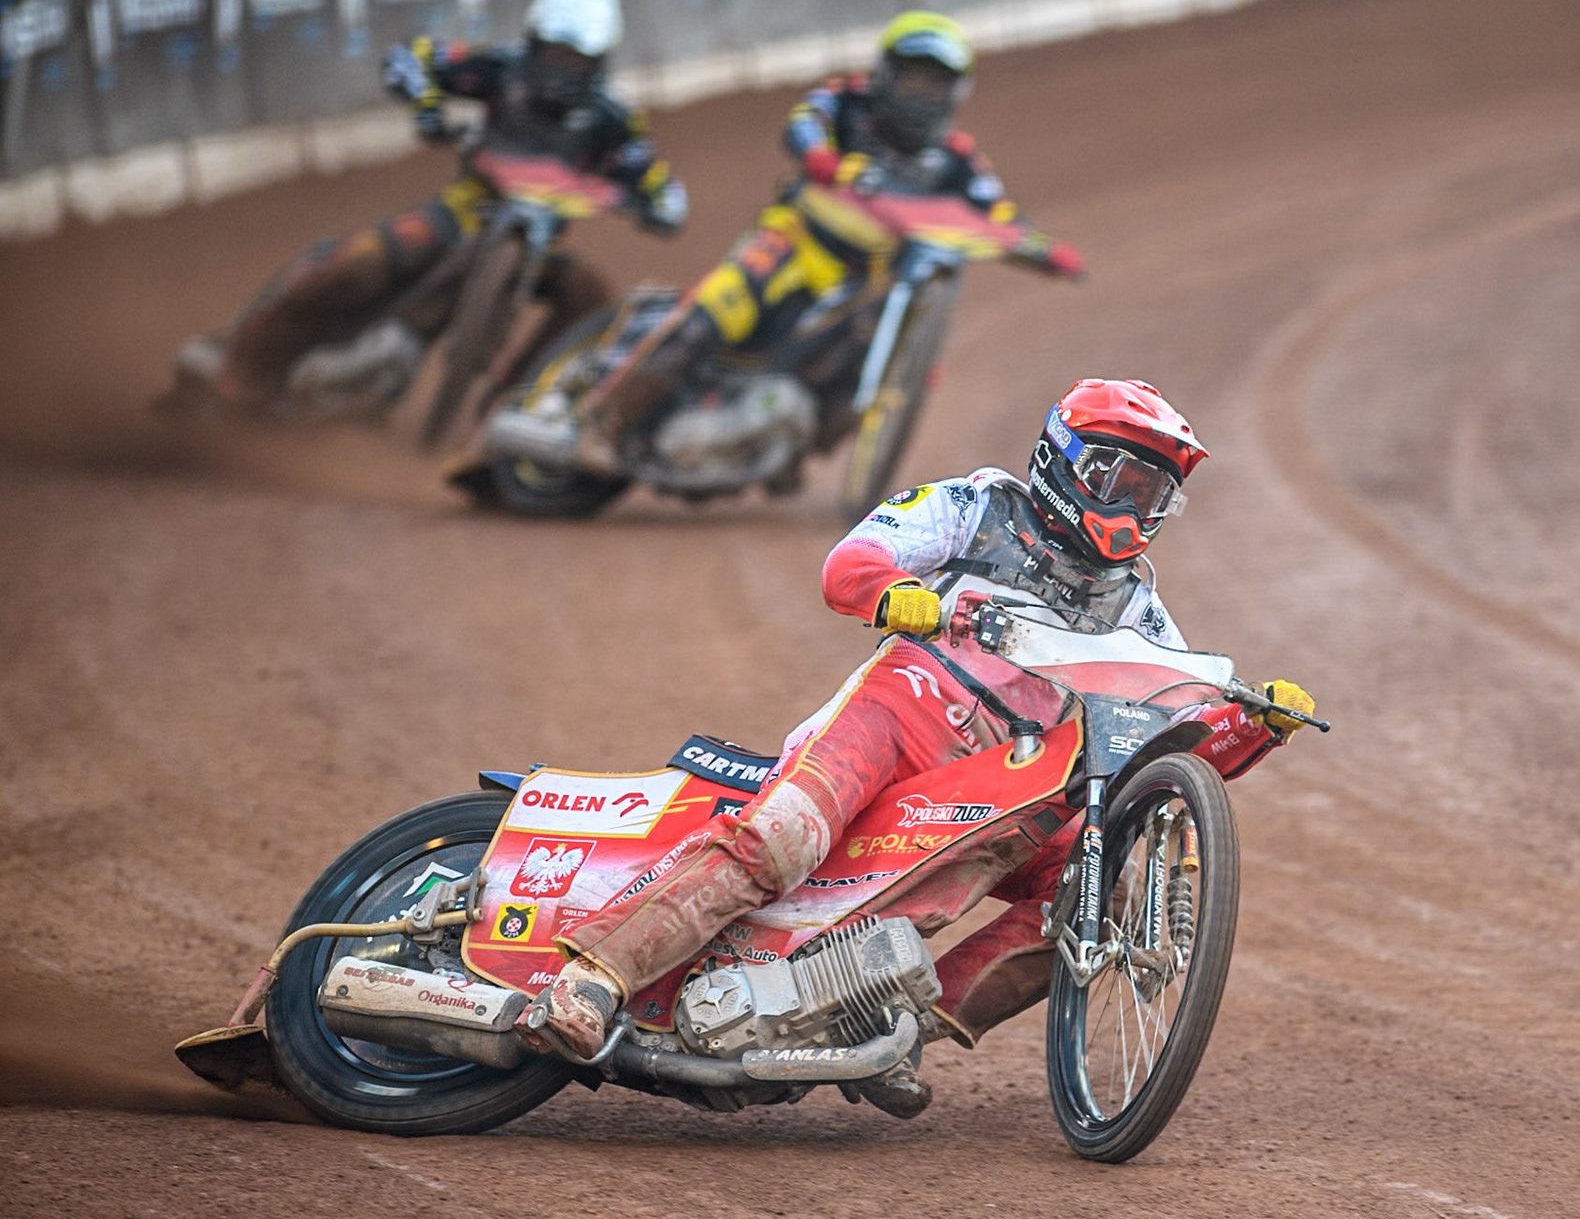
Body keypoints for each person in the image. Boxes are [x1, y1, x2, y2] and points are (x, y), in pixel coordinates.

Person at [521, 379, 1317, 1116]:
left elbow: (1172, 735)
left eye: (1152, 493)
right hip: (899, 713)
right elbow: (850, 564)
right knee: (783, 837)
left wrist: (1254, 724)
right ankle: (592, 978)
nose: (1133, 505)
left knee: (1099, 895)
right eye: (1119, 479)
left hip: (1008, 781)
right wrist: (895, 593)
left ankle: (895, 1029)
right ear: (1063, 461)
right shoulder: (976, 506)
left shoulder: (1138, 607)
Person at [486, 9, 1085, 475]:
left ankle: (791, 442)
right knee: (709, 316)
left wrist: (1043, 250)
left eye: (934, 86)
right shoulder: (846, 101)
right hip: (791, 247)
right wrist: (825, 161)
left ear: (953, 95)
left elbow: (996, 211)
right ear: (886, 73)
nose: (918, 95)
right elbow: (803, 124)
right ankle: (601, 423)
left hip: (866, 281)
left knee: (874, 345)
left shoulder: (957, 157)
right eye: (911, 78)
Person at [170, 0, 688, 414]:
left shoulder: (614, 120)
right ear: (533, 42)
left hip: (541, 245)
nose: (561, 69)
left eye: (576, 60)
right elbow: (411, 59)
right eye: (554, 53)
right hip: (460, 216)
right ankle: (240, 375)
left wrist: (656, 205)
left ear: (598, 61)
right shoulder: (500, 68)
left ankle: (518, 403)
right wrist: (427, 108)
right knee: (351, 266)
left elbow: (656, 181)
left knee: (588, 296)